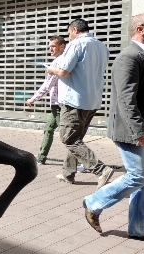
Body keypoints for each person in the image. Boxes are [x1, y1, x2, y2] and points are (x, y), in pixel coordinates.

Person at [83, 14, 144, 243]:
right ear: (140, 29)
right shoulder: (129, 57)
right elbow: (126, 100)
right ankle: (93, 202)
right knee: (138, 176)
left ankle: (139, 229)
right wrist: (140, 131)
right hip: (133, 130)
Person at [47, 18, 113, 189]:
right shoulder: (101, 46)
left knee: (68, 138)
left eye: (69, 33)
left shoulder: (76, 45)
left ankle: (100, 170)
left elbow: (63, 71)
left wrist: (50, 68)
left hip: (74, 100)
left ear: (75, 30)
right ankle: (68, 173)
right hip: (93, 99)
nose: (69, 36)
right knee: (76, 139)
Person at [26, 36, 66, 165]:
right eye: (50, 46)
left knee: (68, 137)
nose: (50, 49)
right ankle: (41, 157)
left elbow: (47, 85)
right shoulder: (66, 60)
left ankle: (83, 161)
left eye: (53, 46)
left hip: (60, 105)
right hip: (57, 104)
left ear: (62, 46)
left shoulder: (57, 63)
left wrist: (33, 99)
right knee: (48, 129)